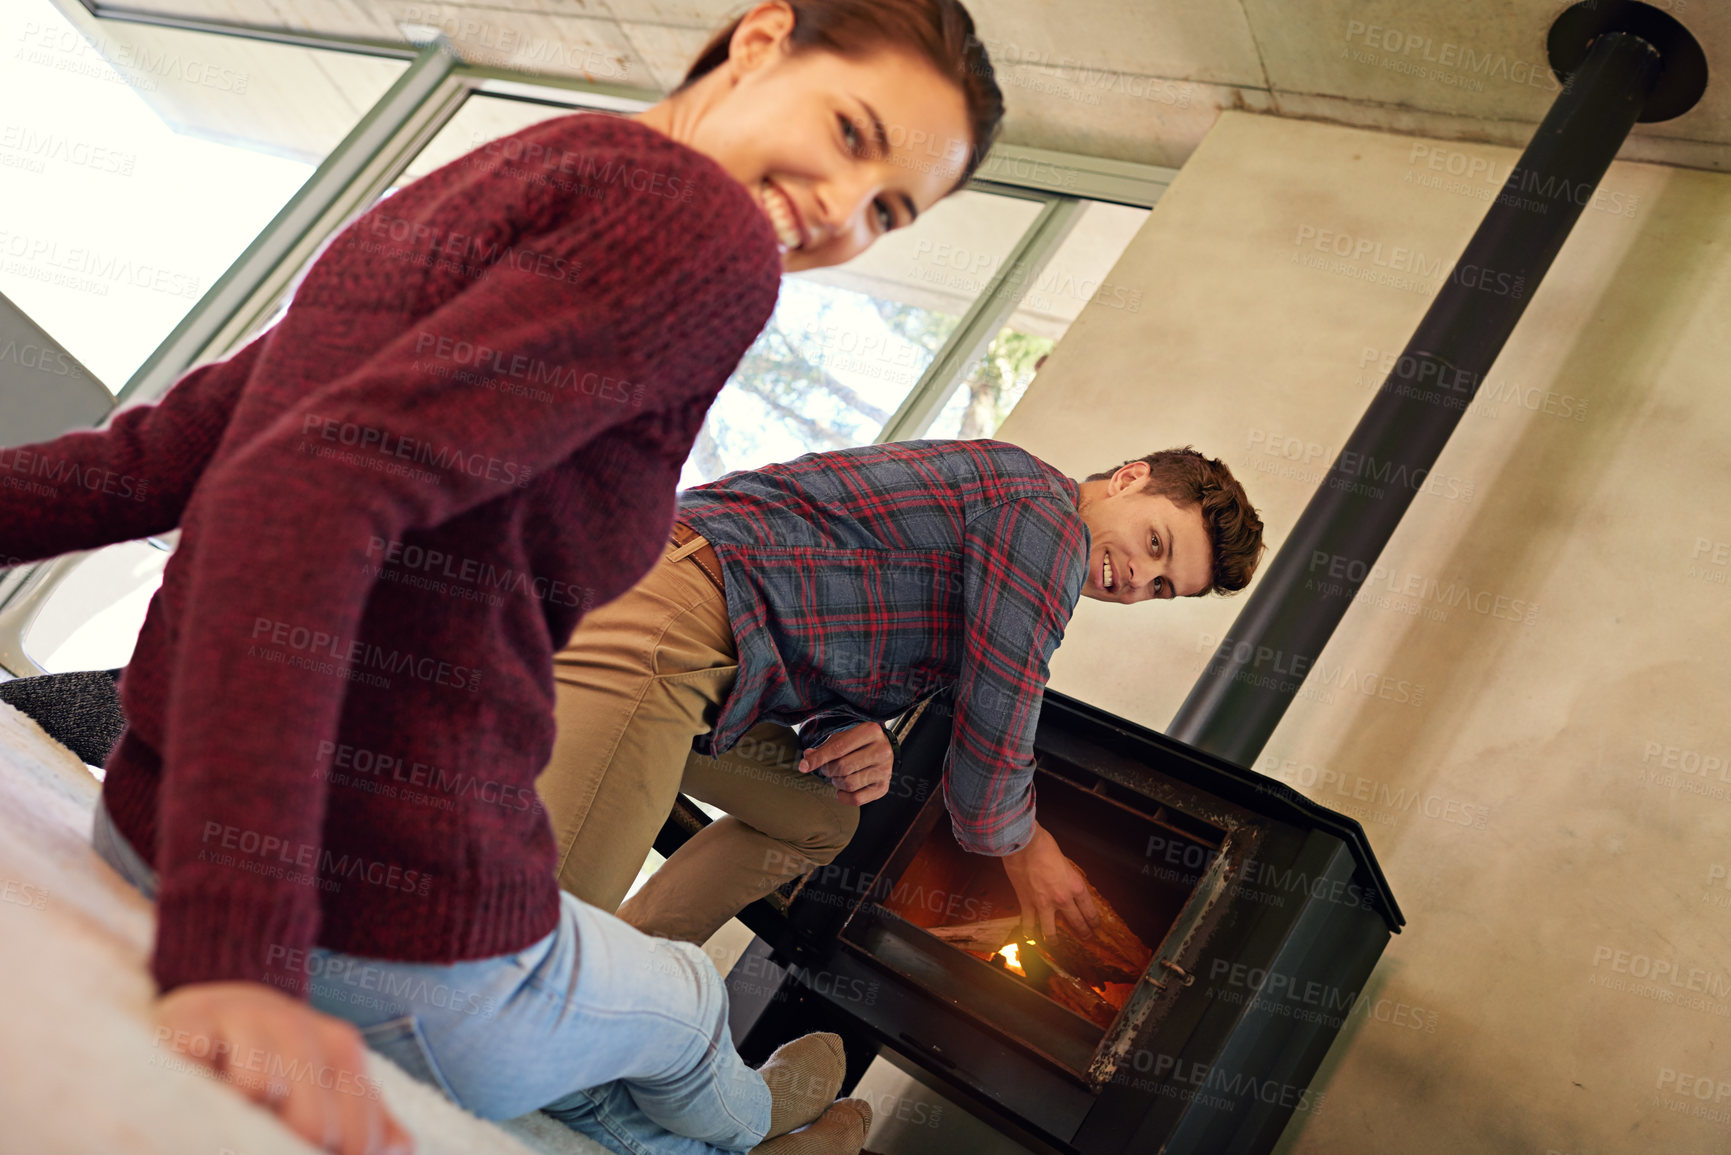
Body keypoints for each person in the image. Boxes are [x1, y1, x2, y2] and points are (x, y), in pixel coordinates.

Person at [0, 2, 1004, 1152]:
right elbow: (308, 496)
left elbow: (162, 459)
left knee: (586, 1074)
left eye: (887, 209)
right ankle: (761, 1140)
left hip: (151, 827)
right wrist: (235, 953)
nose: (840, 207)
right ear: (763, 38)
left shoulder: (516, 171)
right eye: (850, 132)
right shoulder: (702, 237)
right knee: (681, 1007)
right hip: (383, 924)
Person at [540, 441, 1265, 947]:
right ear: (1129, 478)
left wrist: (848, 729)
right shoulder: (1041, 514)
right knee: (527, 942)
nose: (1138, 577)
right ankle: (535, 991)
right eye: (1155, 543)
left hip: (729, 669)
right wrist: (1026, 848)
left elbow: (823, 606)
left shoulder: (1020, 536)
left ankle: (618, 973)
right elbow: (1000, 712)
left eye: (1161, 585)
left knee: (818, 815)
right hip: (673, 613)